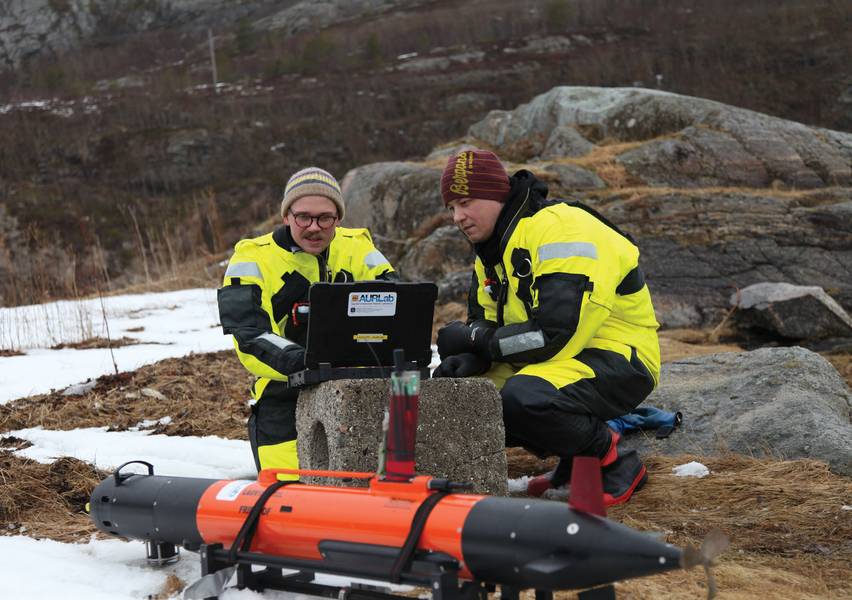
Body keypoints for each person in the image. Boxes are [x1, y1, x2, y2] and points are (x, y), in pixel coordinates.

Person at [433, 149, 660, 506]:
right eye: (451, 208)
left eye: (466, 202)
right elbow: (487, 321)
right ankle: (573, 461)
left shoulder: (561, 228)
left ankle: (612, 460)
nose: (458, 217)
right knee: (459, 396)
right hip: (556, 359)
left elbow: (553, 335)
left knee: (524, 399)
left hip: (617, 357)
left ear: (496, 194)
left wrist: (480, 341)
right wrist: (472, 359)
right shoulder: (492, 251)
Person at [218, 167, 397, 473]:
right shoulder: (252, 258)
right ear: (287, 216)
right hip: (284, 392)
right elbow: (247, 334)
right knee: (290, 491)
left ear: (338, 218)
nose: (314, 227)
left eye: (325, 218)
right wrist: (301, 361)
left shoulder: (358, 248)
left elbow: (399, 307)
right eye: (304, 217)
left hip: (364, 387)